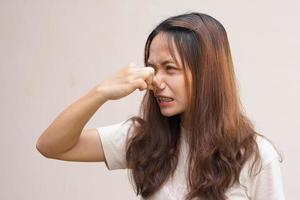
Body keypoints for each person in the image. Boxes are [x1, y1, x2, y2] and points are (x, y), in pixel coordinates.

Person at [36, 12, 285, 200]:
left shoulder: (255, 157)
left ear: (207, 75)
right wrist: (102, 92)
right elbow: (50, 145)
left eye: (170, 69)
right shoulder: (146, 139)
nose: (156, 80)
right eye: (153, 68)